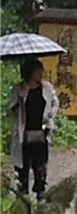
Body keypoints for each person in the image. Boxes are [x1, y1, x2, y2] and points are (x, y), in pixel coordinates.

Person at [7, 58, 59, 200]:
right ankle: (22, 198)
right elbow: (10, 108)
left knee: (40, 165)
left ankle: (40, 194)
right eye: (38, 71)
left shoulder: (47, 87)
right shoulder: (19, 88)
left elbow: (55, 103)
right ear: (30, 72)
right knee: (22, 167)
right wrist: (19, 99)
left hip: (41, 132)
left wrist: (50, 115)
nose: (41, 73)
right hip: (24, 134)